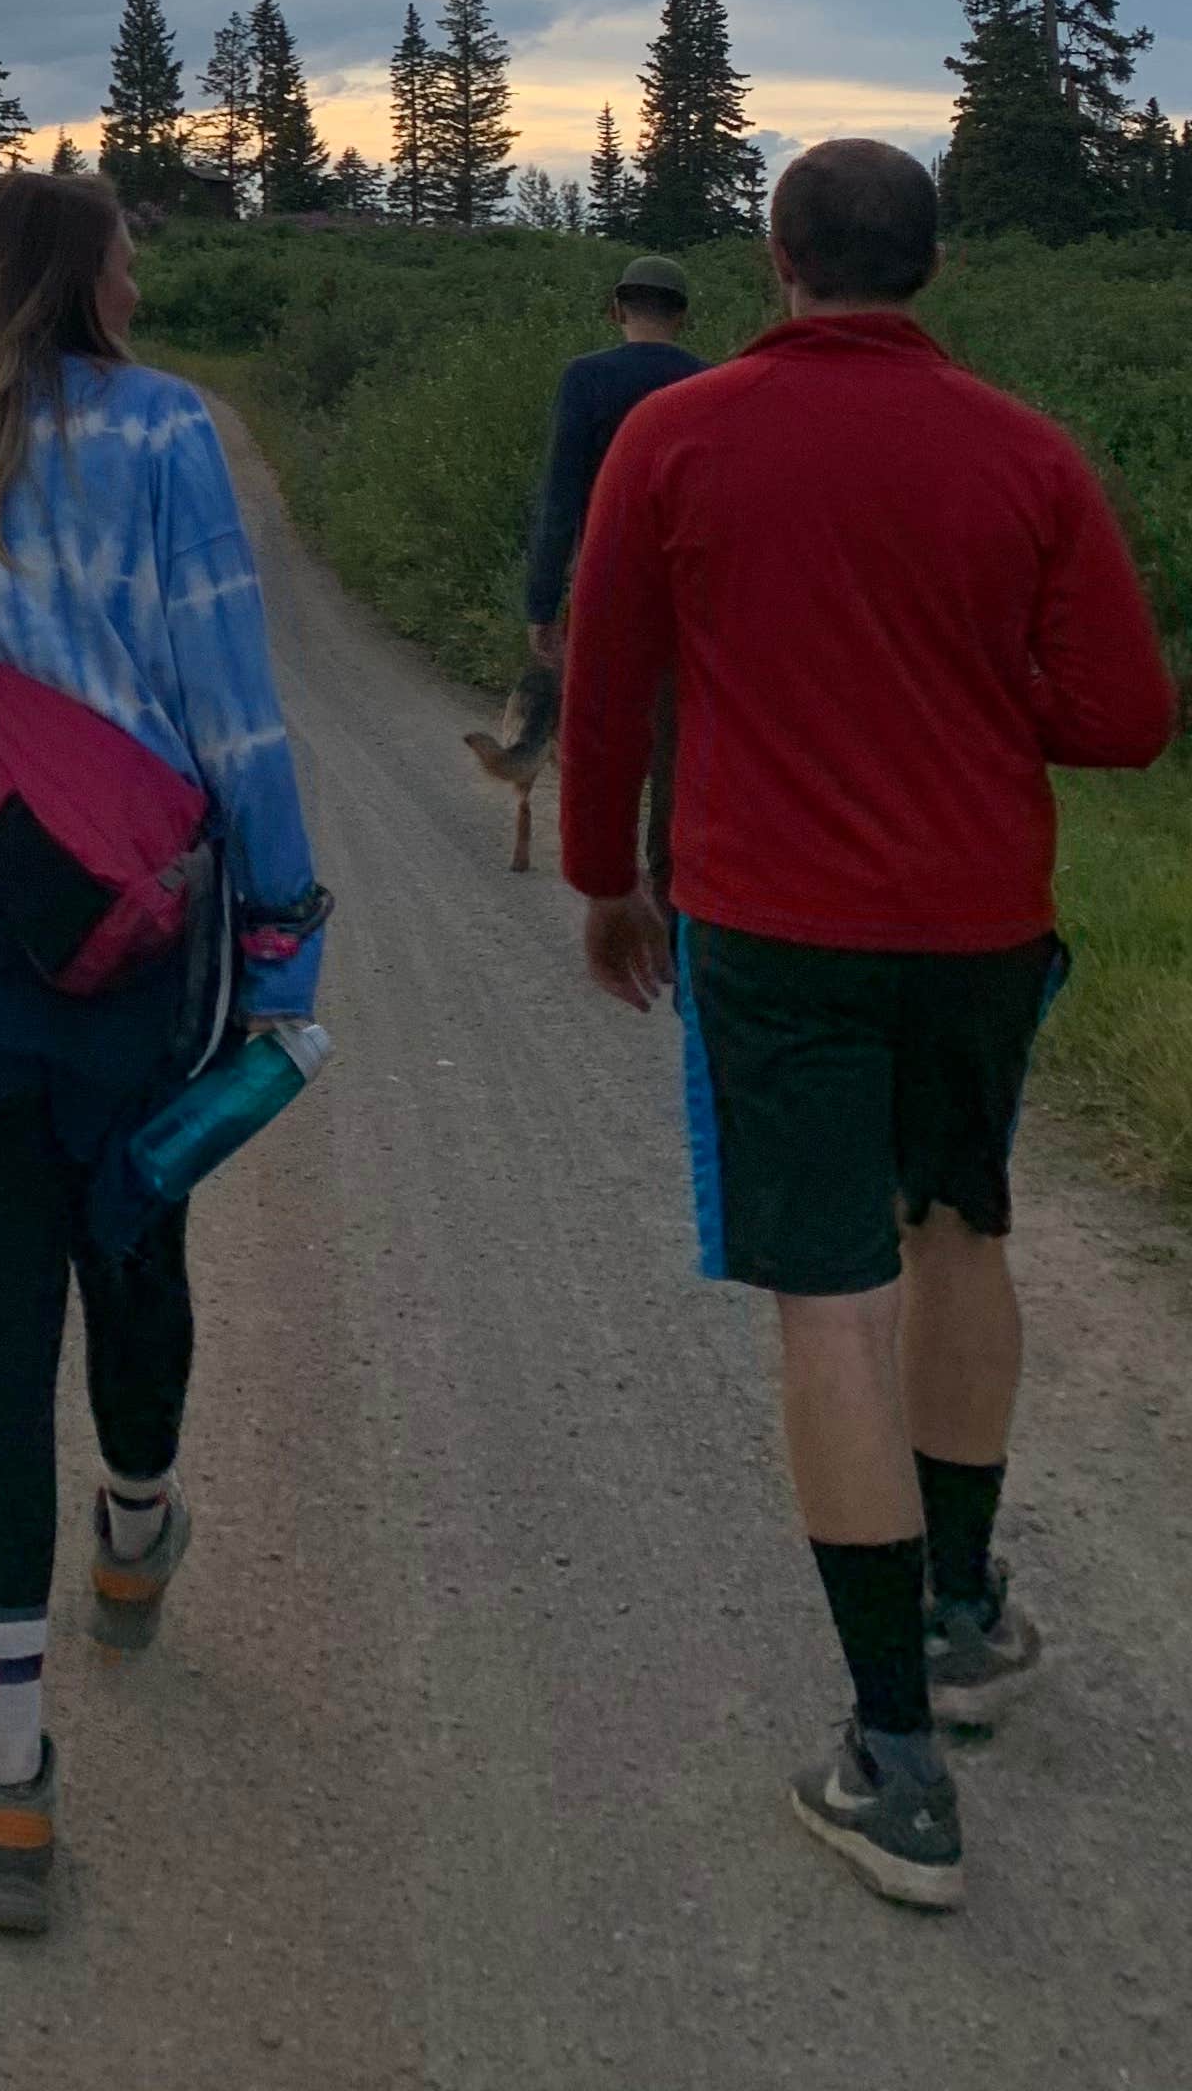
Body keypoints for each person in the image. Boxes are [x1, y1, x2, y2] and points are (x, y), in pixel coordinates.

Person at [562, 138, 1172, 1912]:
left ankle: (890, 1756)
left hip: (772, 924)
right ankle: (960, 1612)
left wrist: (605, 876)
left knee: (827, 1297)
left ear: (774, 258)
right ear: (926, 268)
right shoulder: (1023, 455)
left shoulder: (672, 439)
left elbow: (605, 685)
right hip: (977, 921)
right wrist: (980, 695)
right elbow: (1125, 717)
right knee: (959, 1226)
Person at [0, 172, 329, 1934]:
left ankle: (10, 1781)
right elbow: (229, 700)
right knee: (133, 1228)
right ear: (83, 278)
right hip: (131, 914)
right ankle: (130, 1520)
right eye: (126, 251)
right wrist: (284, 926)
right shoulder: (167, 434)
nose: (139, 273)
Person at [469, 253, 706, 870]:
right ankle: (667, 889)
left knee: (605, 736)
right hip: (688, 591)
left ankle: (609, 879)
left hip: (605, 585)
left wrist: (541, 603)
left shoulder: (585, 379)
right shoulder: (709, 384)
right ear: (681, 316)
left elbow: (558, 496)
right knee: (674, 746)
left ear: (618, 308)